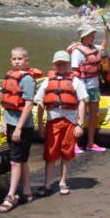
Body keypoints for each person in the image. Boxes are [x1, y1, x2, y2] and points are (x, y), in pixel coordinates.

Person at [34, 51, 87, 196]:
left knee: (66, 152)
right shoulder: (47, 81)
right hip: (52, 122)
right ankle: (47, 184)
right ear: (54, 65)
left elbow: (82, 102)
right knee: (50, 154)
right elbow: (39, 103)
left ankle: (63, 182)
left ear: (69, 64)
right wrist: (40, 125)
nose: (61, 66)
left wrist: (80, 124)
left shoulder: (76, 81)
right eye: (59, 64)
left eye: (64, 63)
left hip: (70, 122)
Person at [0, 47, 38, 213]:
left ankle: (11, 195)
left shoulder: (27, 79)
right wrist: (3, 120)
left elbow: (28, 105)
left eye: (20, 59)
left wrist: (18, 128)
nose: (17, 61)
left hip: (22, 126)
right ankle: (27, 190)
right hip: (11, 123)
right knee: (22, 160)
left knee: (14, 161)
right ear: (10, 60)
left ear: (26, 61)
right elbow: (4, 103)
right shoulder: (9, 76)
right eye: (14, 59)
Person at [69, 23, 109, 152]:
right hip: (82, 87)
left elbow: (103, 46)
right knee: (79, 115)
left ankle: (91, 143)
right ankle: (74, 144)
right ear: (83, 36)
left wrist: (106, 32)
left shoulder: (95, 48)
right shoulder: (77, 51)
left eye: (94, 35)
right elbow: (75, 71)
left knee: (94, 114)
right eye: (91, 35)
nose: (93, 37)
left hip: (94, 87)